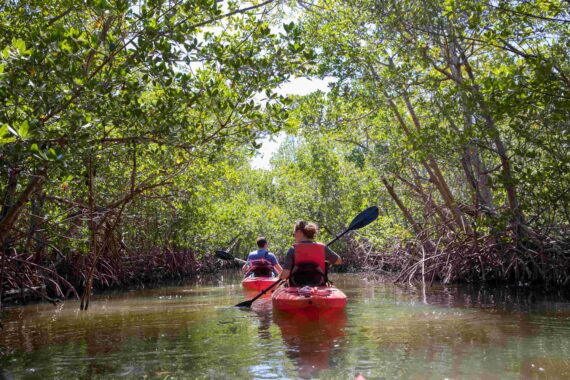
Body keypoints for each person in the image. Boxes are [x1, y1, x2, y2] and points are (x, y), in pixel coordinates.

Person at [279, 221, 342, 286]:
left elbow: (285, 275)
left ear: (299, 232)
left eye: (293, 234)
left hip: (297, 285)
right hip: (319, 284)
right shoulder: (322, 247)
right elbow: (339, 261)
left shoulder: (293, 249)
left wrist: (279, 278)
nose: (294, 236)